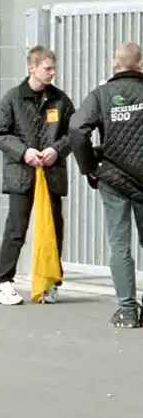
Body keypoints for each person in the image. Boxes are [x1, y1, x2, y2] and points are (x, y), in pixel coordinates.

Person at [0, 46, 75, 306]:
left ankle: (50, 282)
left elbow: (74, 133)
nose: (52, 73)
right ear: (32, 68)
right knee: (16, 229)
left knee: (53, 229)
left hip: (51, 173)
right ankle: (2, 283)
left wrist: (56, 150)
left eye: (54, 68)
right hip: (21, 173)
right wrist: (24, 152)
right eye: (47, 68)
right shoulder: (13, 98)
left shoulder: (61, 100)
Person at [69, 42, 143, 328]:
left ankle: (128, 311)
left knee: (119, 245)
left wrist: (89, 166)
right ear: (139, 64)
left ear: (116, 63)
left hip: (113, 178)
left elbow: (76, 129)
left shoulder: (101, 95)